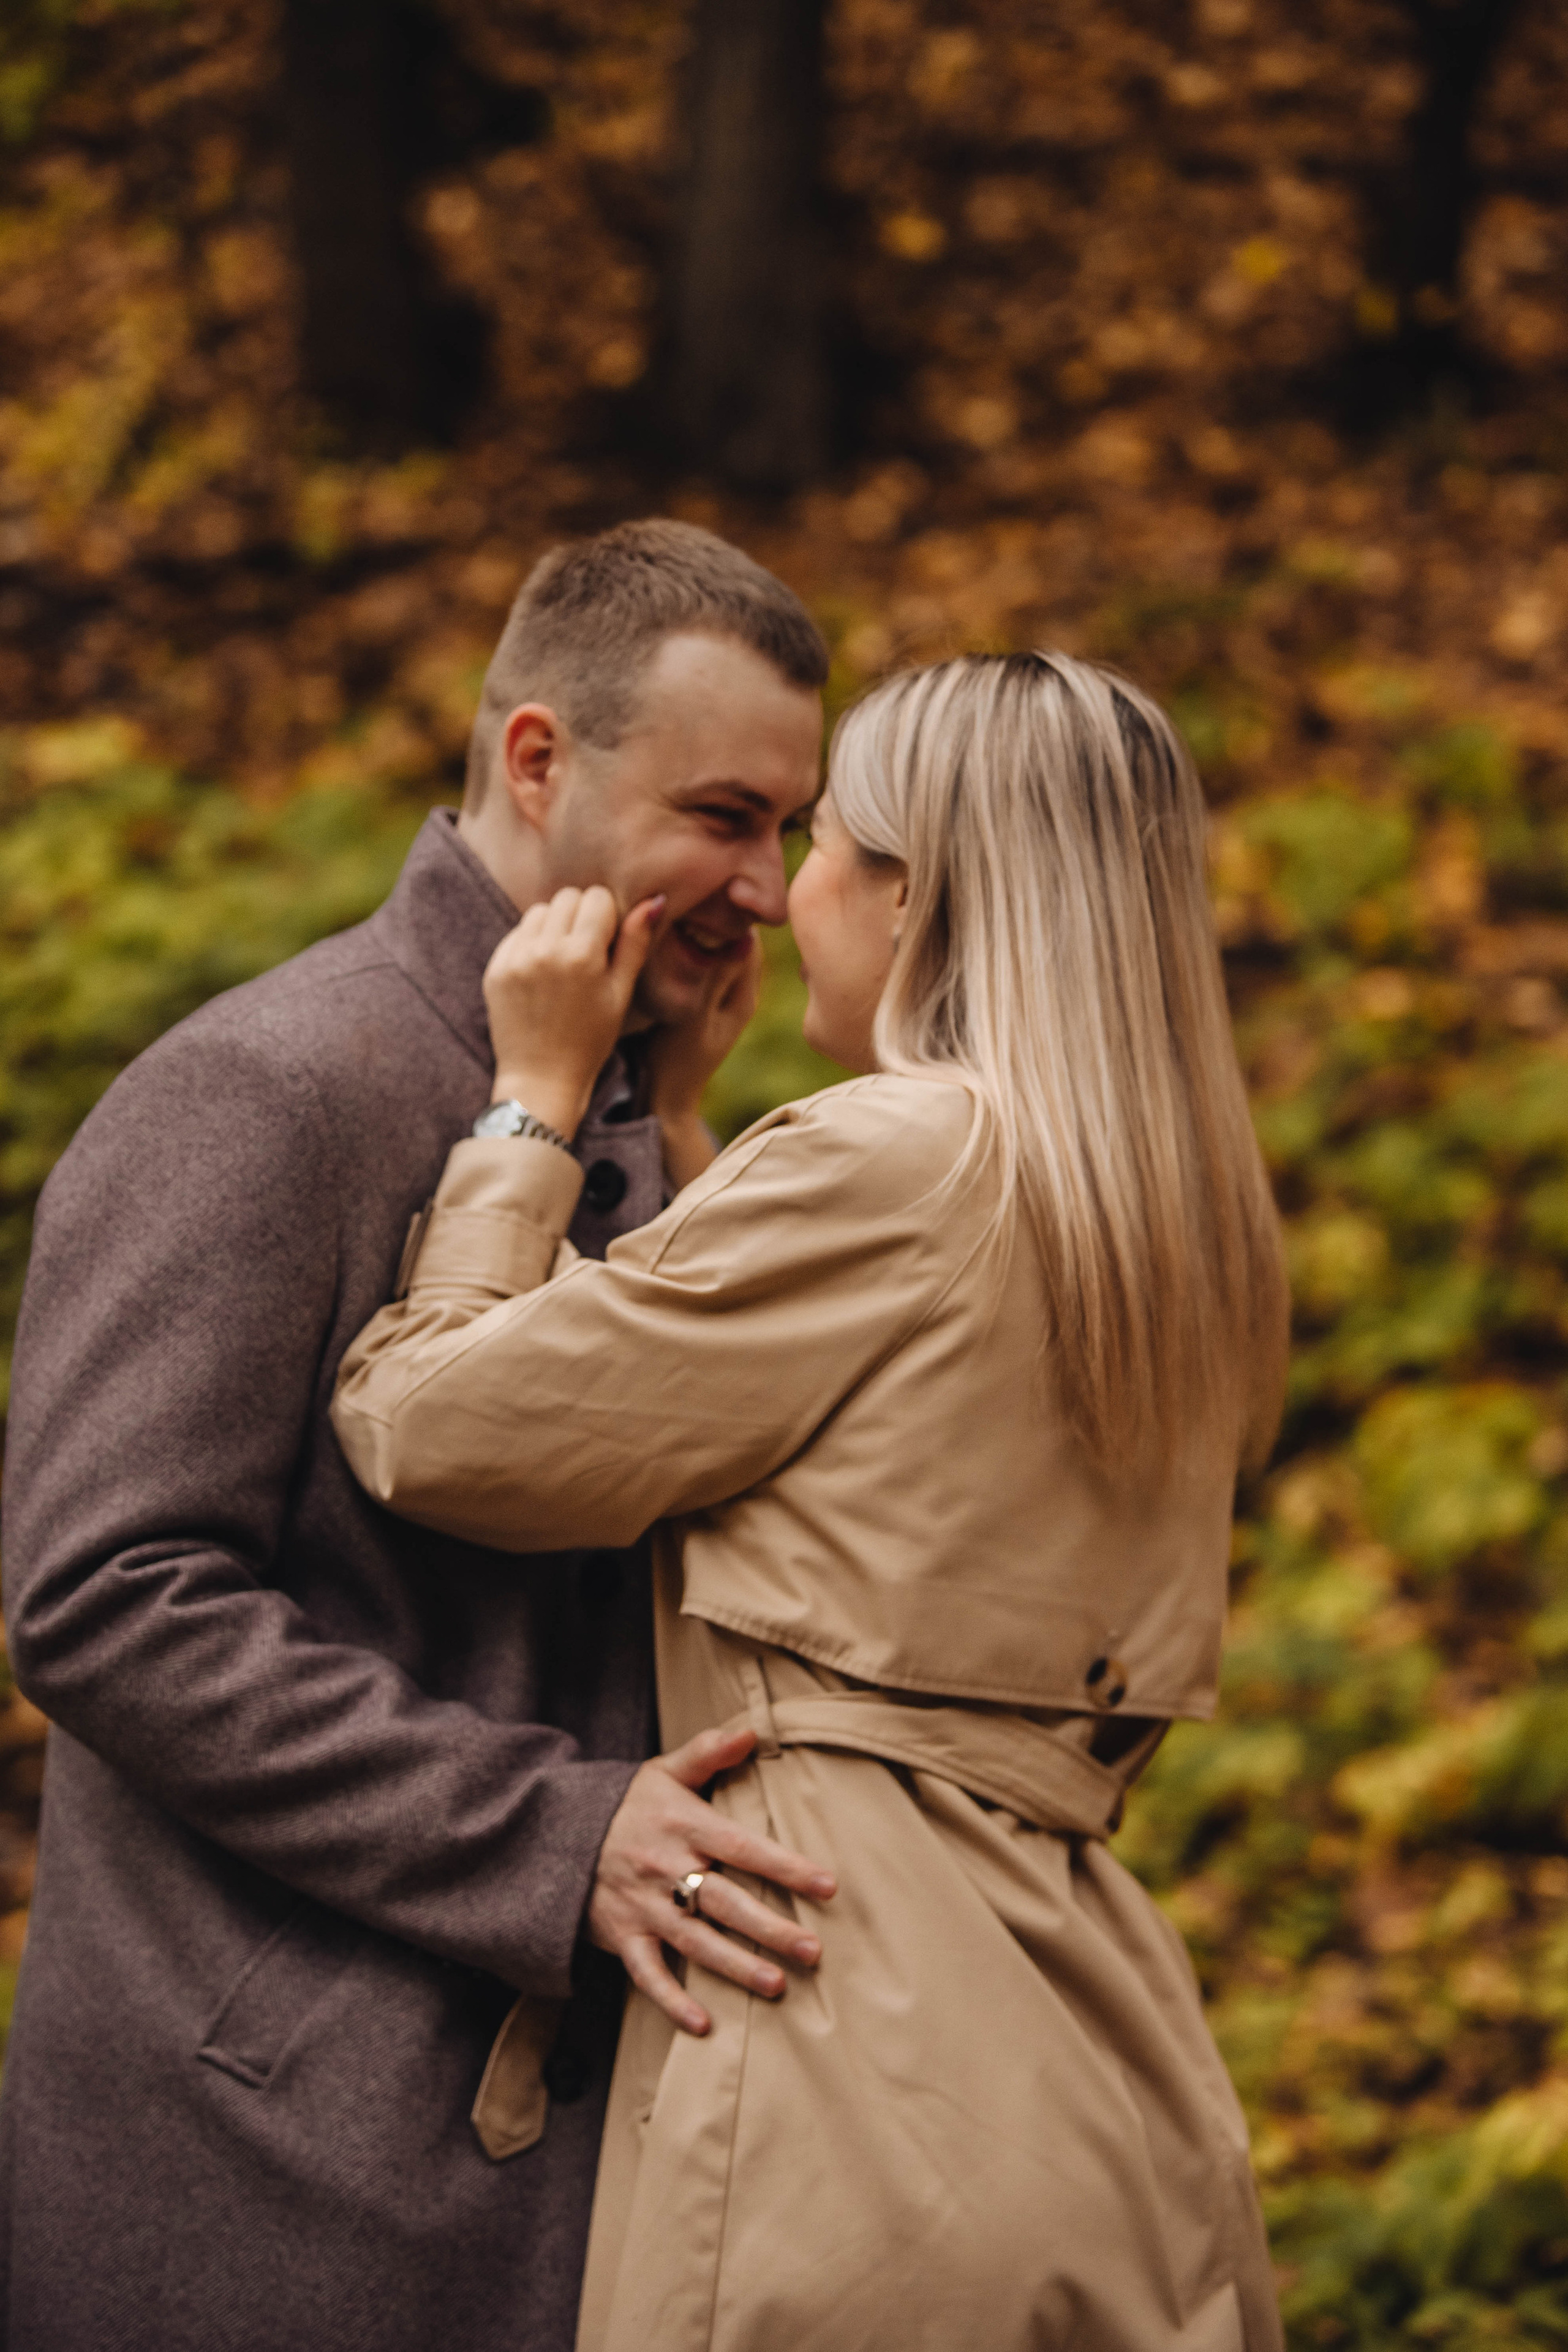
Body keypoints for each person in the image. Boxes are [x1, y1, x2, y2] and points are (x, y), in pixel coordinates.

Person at [333, 650, 1294, 2352]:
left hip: (845, 2046)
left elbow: (430, 1427)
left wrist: (530, 1108)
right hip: (1085, 2038)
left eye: (828, 843)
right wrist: (695, 1137)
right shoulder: (1168, 1211)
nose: (782, 897)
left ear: (917, 897)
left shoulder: (890, 1156)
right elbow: (860, 1453)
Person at [0, 519, 839, 2352]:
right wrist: (554, 1837)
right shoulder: (270, 1088)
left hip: (570, 2164)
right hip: (281, 2178)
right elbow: (102, 1596)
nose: (767, 886)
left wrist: (678, 1131)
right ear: (538, 759)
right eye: (723, 815)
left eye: (791, 827)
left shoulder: (633, 1092)